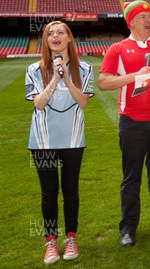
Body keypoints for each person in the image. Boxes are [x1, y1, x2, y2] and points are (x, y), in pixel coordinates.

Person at [98, 0, 150, 247]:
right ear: (132, 21)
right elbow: (103, 82)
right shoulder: (117, 49)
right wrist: (135, 76)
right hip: (132, 121)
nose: (149, 21)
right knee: (131, 178)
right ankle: (128, 228)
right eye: (144, 16)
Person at [26, 21, 94, 264]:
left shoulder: (84, 68)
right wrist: (54, 78)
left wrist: (67, 79)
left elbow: (83, 102)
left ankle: (72, 237)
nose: (55, 36)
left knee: (70, 190)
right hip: (43, 139)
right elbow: (39, 103)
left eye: (60, 32)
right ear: (45, 41)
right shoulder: (34, 69)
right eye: (50, 33)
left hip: (73, 138)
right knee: (49, 192)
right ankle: (51, 242)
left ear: (69, 39)